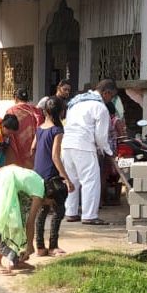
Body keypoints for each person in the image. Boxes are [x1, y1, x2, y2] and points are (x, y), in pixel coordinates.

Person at [0, 165, 66, 274]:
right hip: (3, 186)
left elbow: (12, 166)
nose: (50, 205)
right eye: (52, 203)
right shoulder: (39, 194)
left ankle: (16, 261)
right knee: (12, 225)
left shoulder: (38, 179)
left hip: (1, 180)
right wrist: (30, 245)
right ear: (50, 196)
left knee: (19, 221)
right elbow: (30, 223)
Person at [61, 79, 116, 225]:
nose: (111, 100)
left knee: (72, 180)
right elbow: (101, 136)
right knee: (90, 181)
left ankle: (71, 212)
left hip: (67, 145)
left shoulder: (76, 102)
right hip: (84, 146)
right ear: (106, 93)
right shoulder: (100, 107)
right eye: (112, 97)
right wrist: (109, 152)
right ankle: (89, 215)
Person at [31, 95, 73, 256]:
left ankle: (40, 247)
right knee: (59, 210)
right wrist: (67, 179)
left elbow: (33, 148)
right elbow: (56, 156)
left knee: (42, 210)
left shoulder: (40, 128)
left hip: (38, 174)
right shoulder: (58, 130)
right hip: (51, 175)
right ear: (61, 111)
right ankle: (53, 246)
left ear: (45, 111)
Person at [5, 88, 44, 169]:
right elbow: (40, 128)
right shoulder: (36, 111)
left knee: (16, 171)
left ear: (15, 98)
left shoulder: (11, 111)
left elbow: (6, 130)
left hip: (15, 148)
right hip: (32, 149)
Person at [101, 100, 127, 206]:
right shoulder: (115, 120)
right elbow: (122, 137)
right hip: (113, 150)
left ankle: (105, 199)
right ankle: (114, 199)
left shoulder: (108, 120)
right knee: (115, 176)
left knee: (105, 175)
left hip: (105, 148)